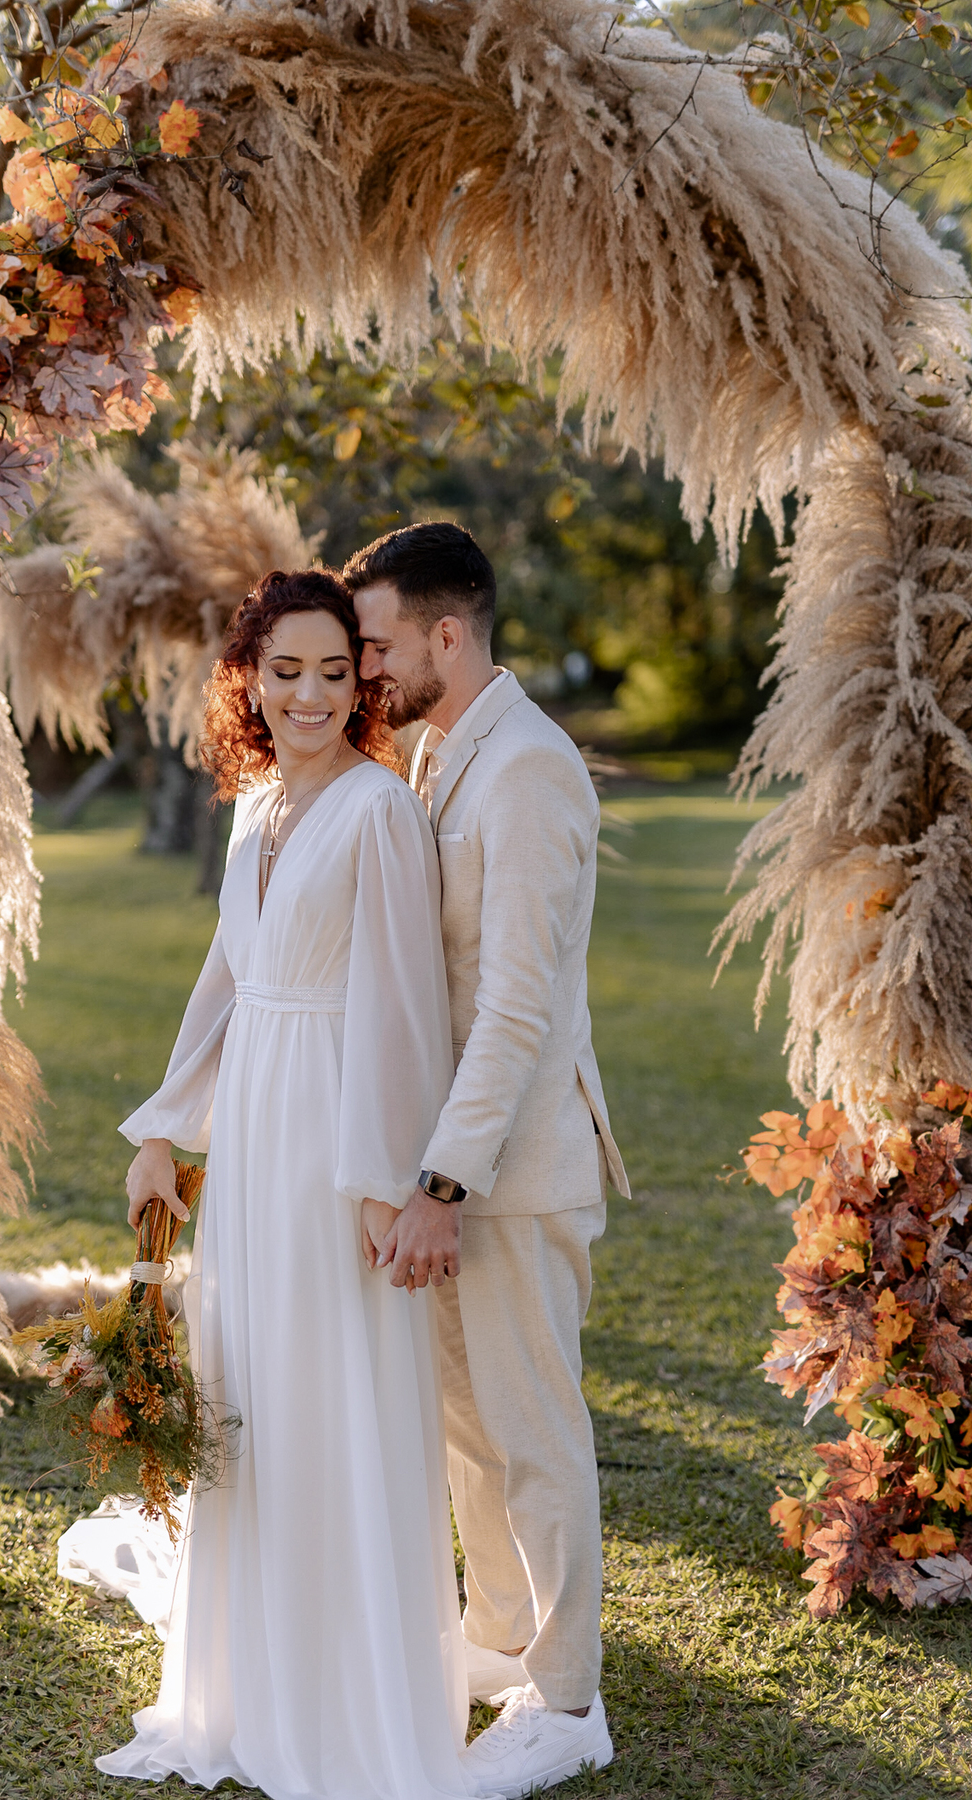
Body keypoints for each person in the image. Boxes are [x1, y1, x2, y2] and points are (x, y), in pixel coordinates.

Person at [91, 568, 472, 1799]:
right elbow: (225, 983)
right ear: (249, 679)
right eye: (285, 669)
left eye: (333, 671)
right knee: (249, 1391)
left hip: (335, 1135)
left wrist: (381, 1180)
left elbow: (403, 1008)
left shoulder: (378, 810)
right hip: (255, 1130)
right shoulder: (255, 806)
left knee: (333, 1393)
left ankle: (346, 1704)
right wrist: (165, 1129)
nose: (309, 694)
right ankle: (250, 1690)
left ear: (362, 684)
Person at [346, 522, 628, 1798]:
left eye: (378, 645)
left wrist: (442, 1184)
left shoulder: (527, 771)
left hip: (513, 1167)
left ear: (446, 636)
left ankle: (568, 1703)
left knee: (532, 1429)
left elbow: (515, 1007)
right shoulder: (437, 754)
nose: (365, 670)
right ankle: (505, 1636)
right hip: (453, 1169)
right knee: (467, 1426)